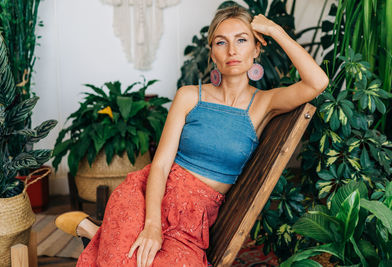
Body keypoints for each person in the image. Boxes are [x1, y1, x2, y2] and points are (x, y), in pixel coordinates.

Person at [55, 5, 329, 267]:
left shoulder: (264, 104)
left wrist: (275, 30)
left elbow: (318, 82)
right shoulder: (189, 96)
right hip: (148, 196)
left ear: (257, 48)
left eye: (242, 40)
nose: (232, 50)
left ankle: (96, 233)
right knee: (122, 261)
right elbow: (160, 165)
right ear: (212, 54)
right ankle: (106, 233)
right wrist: (151, 225)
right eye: (221, 42)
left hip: (194, 216)